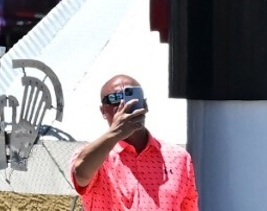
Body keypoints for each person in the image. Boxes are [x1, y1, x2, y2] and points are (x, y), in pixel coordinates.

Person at [70, 74, 199, 210]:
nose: (124, 104)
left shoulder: (178, 158)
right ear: (103, 111)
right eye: (114, 99)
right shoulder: (95, 157)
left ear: (145, 105)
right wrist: (115, 133)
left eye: (131, 97)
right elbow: (81, 175)